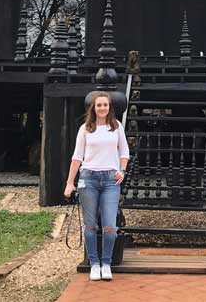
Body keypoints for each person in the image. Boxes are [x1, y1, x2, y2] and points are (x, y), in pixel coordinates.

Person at [64, 91, 129, 281]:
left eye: (105, 105)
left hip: (110, 180)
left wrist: (122, 170)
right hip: (88, 179)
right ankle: (94, 263)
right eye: (99, 105)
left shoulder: (116, 127)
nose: (102, 108)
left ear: (110, 107)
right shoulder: (85, 128)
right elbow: (77, 157)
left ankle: (106, 262)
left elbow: (124, 152)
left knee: (110, 226)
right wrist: (70, 182)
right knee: (90, 225)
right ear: (94, 108)